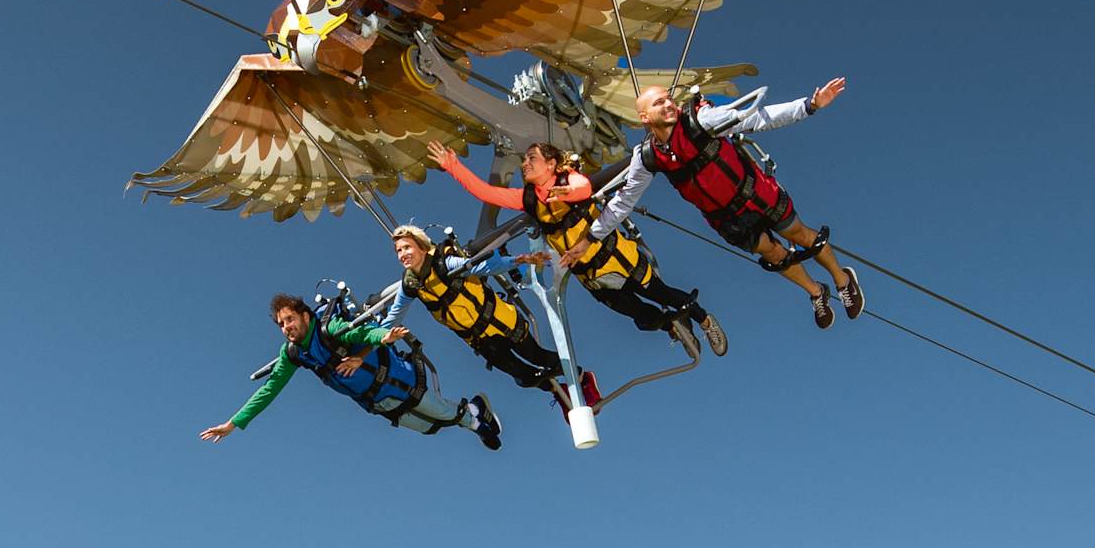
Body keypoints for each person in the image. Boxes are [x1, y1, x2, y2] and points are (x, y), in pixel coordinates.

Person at [597, 77, 860, 329]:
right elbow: (624, 200)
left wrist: (809, 105)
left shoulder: (700, 121)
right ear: (645, 117)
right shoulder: (647, 156)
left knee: (798, 234)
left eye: (669, 99)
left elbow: (755, 118)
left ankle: (842, 279)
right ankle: (816, 292)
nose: (668, 104)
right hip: (727, 218)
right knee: (772, 254)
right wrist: (592, 236)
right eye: (659, 103)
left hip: (755, 193)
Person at [424, 140, 724, 357]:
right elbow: (487, 193)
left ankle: (704, 320)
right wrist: (453, 166)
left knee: (663, 294)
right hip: (593, 277)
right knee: (641, 315)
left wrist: (567, 192)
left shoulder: (568, 179)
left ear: (551, 164)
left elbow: (584, 187)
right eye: (524, 160)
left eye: (532, 158)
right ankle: (673, 327)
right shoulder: (528, 199)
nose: (525, 164)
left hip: (618, 259)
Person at [201, 294, 500, 449]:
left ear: (305, 316)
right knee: (429, 428)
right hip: (374, 400)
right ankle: (471, 416)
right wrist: (233, 423)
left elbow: (361, 332)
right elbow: (269, 390)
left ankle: (475, 415)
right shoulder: (292, 353)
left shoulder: (328, 329)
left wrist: (384, 337)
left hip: (397, 380)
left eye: (290, 319)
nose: (286, 327)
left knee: (443, 412)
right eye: (281, 324)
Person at [386, 224, 586, 412]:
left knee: (537, 357)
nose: (402, 254)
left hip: (501, 321)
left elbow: (482, 267)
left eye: (407, 247)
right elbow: (394, 315)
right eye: (398, 251)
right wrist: (376, 336)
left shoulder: (445, 263)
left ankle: (582, 378)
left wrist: (521, 260)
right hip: (481, 339)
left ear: (421, 247)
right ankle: (559, 392)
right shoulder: (410, 285)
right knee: (525, 376)